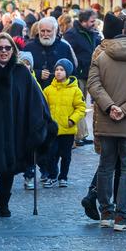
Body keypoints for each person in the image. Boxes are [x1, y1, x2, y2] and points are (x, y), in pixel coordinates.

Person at [0, 33, 53, 219]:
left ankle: (4, 205)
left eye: (8, 48)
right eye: (0, 48)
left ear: (13, 50)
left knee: (9, 167)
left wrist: (39, 124)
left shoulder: (21, 71)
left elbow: (35, 98)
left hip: (15, 128)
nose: (4, 51)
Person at [88, 16, 126, 230]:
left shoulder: (102, 53)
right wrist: (125, 109)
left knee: (106, 165)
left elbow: (93, 84)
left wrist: (109, 106)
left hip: (106, 119)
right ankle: (122, 216)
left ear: (123, 29)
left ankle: (106, 212)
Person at [41, 59, 86, 187]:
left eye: (61, 70)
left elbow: (81, 108)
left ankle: (63, 177)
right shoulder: (48, 90)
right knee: (51, 154)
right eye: (56, 70)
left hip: (67, 129)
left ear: (67, 72)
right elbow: (43, 107)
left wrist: (72, 120)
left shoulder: (75, 90)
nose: (58, 72)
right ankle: (52, 175)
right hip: (52, 129)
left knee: (66, 156)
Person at [63, 9, 100, 147]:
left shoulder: (93, 33)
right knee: (78, 104)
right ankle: (76, 136)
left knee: (82, 105)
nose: (94, 23)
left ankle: (80, 135)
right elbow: (70, 55)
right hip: (79, 75)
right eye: (91, 21)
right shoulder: (71, 34)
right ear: (83, 21)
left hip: (90, 73)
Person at [22, 16, 76, 89]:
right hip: (35, 91)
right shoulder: (29, 47)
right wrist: (38, 73)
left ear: (55, 31)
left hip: (59, 93)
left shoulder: (64, 47)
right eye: (42, 31)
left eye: (48, 31)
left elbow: (72, 71)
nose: (45, 34)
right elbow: (21, 69)